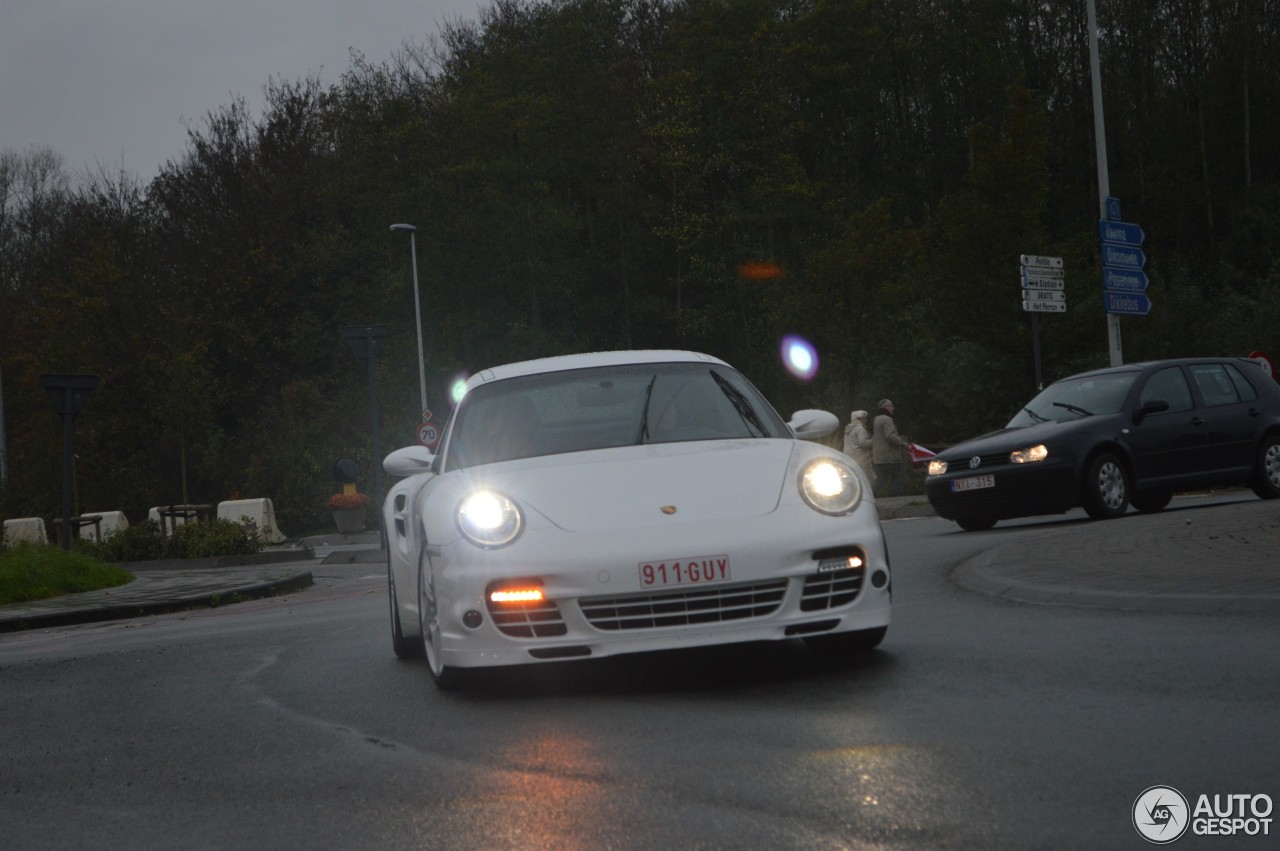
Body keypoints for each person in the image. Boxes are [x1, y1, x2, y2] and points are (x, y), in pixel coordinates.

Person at [871, 398, 910, 496]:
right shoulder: (887, 419)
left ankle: (869, 494)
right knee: (898, 477)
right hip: (890, 456)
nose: (893, 408)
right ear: (886, 407)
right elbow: (890, 436)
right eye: (891, 406)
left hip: (878, 456)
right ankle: (899, 499)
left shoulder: (876, 419)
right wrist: (903, 444)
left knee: (881, 478)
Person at [842, 410, 875, 482]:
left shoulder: (848, 428)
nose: (866, 420)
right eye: (865, 418)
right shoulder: (860, 428)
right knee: (866, 477)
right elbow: (863, 443)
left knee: (853, 476)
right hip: (860, 457)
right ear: (860, 419)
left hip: (849, 456)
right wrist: (874, 441)